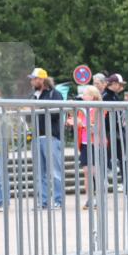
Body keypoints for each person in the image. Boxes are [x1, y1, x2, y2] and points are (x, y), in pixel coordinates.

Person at [29, 68, 64, 209]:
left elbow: (57, 114)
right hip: (37, 137)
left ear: (41, 80)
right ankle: (42, 202)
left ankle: (58, 200)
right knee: (39, 173)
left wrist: (39, 107)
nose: (31, 81)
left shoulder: (55, 94)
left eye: (33, 79)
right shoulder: (33, 96)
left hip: (52, 137)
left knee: (55, 171)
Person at [67, 85, 106, 210]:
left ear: (93, 96)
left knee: (95, 172)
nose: (83, 97)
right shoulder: (82, 110)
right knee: (86, 172)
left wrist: (81, 124)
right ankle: (90, 198)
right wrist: (73, 121)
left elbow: (97, 128)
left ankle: (99, 198)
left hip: (96, 144)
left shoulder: (99, 109)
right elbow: (74, 122)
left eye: (85, 94)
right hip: (84, 144)